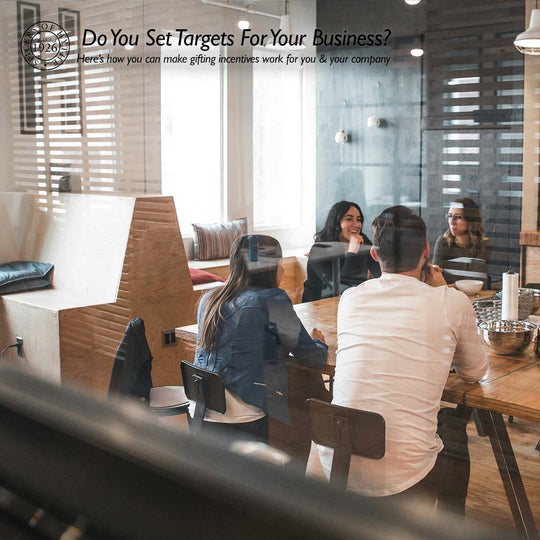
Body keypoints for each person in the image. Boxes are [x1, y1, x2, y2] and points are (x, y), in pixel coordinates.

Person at [315, 206, 488, 513]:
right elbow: (475, 372)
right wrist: (443, 291)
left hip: (336, 463)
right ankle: (451, 527)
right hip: (403, 477)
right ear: (425, 251)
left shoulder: (351, 299)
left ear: (374, 254)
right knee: (453, 430)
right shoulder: (451, 301)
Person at [192, 234, 328, 445]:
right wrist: (319, 341)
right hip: (241, 417)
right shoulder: (272, 301)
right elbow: (314, 358)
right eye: (280, 264)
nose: (282, 269)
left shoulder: (209, 299)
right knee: (305, 390)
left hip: (201, 411)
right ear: (270, 267)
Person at [302, 201, 381, 302]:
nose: (356, 225)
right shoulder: (320, 249)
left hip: (352, 303)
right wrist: (352, 252)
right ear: (336, 224)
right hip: (319, 306)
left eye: (359, 220)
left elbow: (380, 273)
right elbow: (342, 288)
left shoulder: (362, 241)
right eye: (349, 219)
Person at [432, 198, 492, 285]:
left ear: (470, 220)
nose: (452, 222)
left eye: (457, 217)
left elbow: (474, 283)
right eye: (449, 216)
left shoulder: (483, 244)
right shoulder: (443, 242)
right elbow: (434, 277)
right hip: (446, 295)